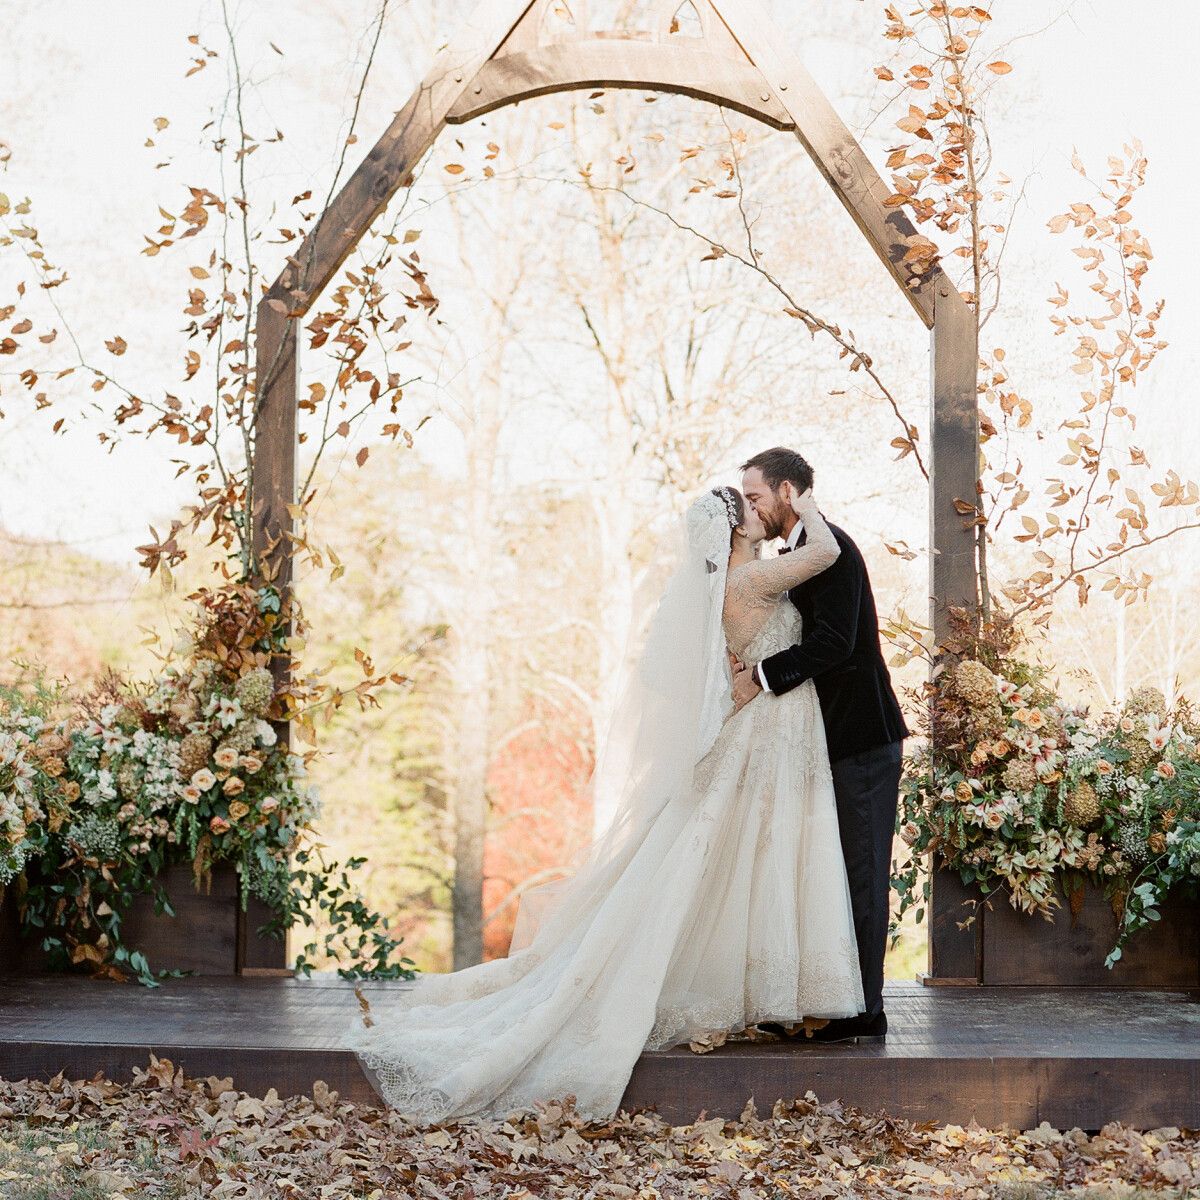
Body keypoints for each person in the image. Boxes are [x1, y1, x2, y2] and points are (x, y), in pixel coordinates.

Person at [343, 482, 863, 1123]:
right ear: (732, 530)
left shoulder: (726, 588)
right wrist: (802, 502)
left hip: (766, 733)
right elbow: (826, 553)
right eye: (751, 508)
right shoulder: (750, 583)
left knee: (731, 859)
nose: (762, 514)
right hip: (765, 733)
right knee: (741, 857)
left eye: (765, 503)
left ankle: (750, 990)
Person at [736, 447, 909, 1042]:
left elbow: (835, 642)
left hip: (862, 738)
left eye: (756, 495)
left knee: (862, 873)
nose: (750, 507)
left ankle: (865, 1012)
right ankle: (830, 999)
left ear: (788, 491)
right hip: (823, 743)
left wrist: (759, 677)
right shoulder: (803, 552)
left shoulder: (830, 548)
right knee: (829, 872)